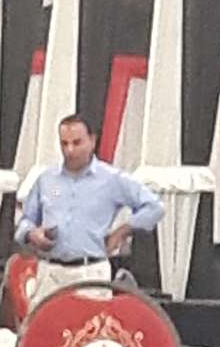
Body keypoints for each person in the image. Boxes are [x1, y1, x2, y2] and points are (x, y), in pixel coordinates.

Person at [15, 113, 164, 306]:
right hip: (50, 273)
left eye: (77, 143)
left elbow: (155, 207)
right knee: (43, 324)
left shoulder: (112, 179)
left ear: (92, 141)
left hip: (90, 273)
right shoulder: (46, 179)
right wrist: (31, 234)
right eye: (64, 144)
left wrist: (123, 230)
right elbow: (25, 221)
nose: (69, 150)